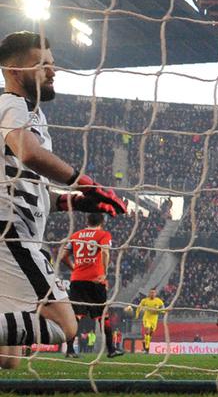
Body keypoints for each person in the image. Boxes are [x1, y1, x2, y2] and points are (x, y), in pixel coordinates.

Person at [0, 31, 126, 367]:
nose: (52, 71)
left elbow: (30, 187)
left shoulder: (30, 113)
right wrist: (84, 182)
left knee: (8, 359)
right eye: (42, 64)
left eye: (52, 64)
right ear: (14, 70)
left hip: (14, 226)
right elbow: (28, 153)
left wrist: (75, 201)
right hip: (10, 233)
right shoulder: (11, 105)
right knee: (63, 325)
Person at [58, 212, 122, 358]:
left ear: (87, 221)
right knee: (103, 316)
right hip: (95, 281)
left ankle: (69, 350)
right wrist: (104, 273)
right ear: (102, 221)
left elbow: (62, 257)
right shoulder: (103, 235)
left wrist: (75, 268)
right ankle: (111, 350)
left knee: (76, 316)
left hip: (77, 281)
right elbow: (105, 253)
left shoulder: (75, 235)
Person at [135, 288, 165, 353]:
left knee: (150, 334)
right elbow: (139, 307)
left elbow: (163, 308)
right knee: (148, 330)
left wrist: (162, 311)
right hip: (147, 318)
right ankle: (147, 348)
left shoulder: (159, 301)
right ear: (149, 293)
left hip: (154, 319)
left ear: (155, 294)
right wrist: (137, 315)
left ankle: (144, 343)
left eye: (153, 293)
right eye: (151, 292)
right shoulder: (145, 300)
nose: (152, 294)